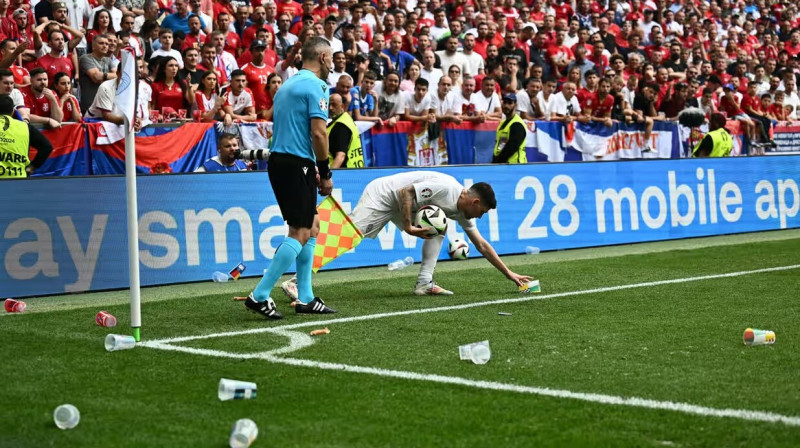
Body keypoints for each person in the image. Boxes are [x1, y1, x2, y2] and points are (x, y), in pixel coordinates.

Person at [244, 37, 336, 320]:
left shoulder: (286, 86)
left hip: (283, 161)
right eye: (331, 57)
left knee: (313, 226)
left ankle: (305, 297)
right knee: (299, 231)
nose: (332, 63)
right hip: (298, 164)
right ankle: (259, 295)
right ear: (321, 57)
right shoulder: (317, 86)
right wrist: (325, 172)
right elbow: (319, 133)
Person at [348, 172, 532, 295]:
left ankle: (424, 283)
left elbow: (481, 245)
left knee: (438, 224)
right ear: (475, 202)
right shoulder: (447, 189)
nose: (481, 217)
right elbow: (406, 192)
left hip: (405, 204)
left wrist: (509, 274)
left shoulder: (464, 211)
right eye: (482, 212)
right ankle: (321, 221)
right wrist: (408, 227)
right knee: (349, 235)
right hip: (384, 194)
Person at [0, 94, 53, 178]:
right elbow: (47, 147)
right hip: (19, 179)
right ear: (13, 111)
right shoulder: (26, 127)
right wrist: (31, 167)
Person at [327, 93, 364, 168]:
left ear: (342, 106)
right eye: (329, 105)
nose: (330, 108)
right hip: (355, 170)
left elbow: (340, 156)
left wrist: (329, 176)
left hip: (344, 173)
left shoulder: (341, 126)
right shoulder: (346, 118)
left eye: (334, 105)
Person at [493, 93, 527, 163]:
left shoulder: (517, 124)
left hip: (515, 166)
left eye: (510, 103)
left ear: (515, 105)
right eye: (504, 102)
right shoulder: (503, 123)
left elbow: (511, 147)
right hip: (505, 164)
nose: (506, 106)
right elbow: (501, 145)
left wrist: (497, 162)